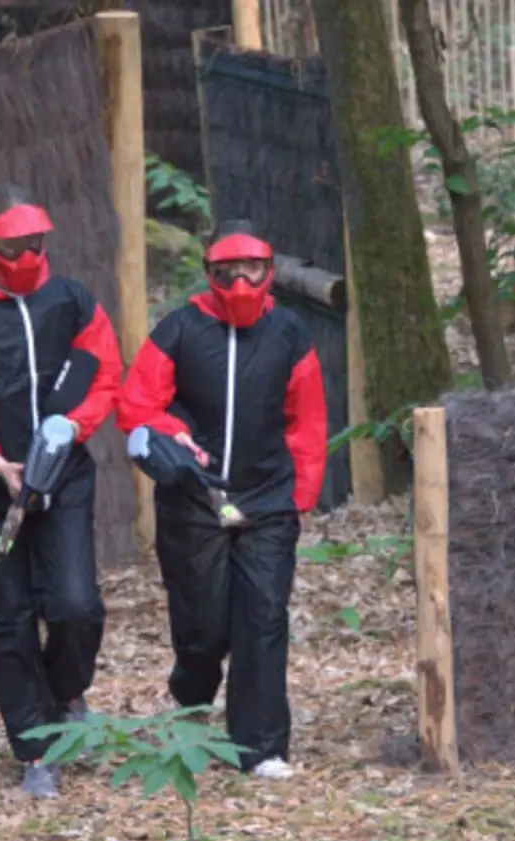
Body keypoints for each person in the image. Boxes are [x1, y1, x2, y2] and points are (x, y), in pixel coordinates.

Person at [0, 184, 122, 798]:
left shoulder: (73, 300)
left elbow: (103, 372)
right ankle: (36, 753)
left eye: (37, 240)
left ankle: (67, 694)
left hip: (65, 477)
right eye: (15, 242)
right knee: (11, 621)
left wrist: (68, 431)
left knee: (75, 606)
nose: (29, 251)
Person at [116, 219, 328, 780]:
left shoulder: (290, 333)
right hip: (193, 498)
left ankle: (261, 748)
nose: (240, 282)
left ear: (268, 269)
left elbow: (306, 419)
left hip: (267, 497)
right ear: (208, 273)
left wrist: (299, 493)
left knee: (262, 618)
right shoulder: (179, 329)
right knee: (204, 626)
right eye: (226, 271)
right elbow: (136, 406)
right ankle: (190, 698)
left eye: (251, 269)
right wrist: (175, 437)